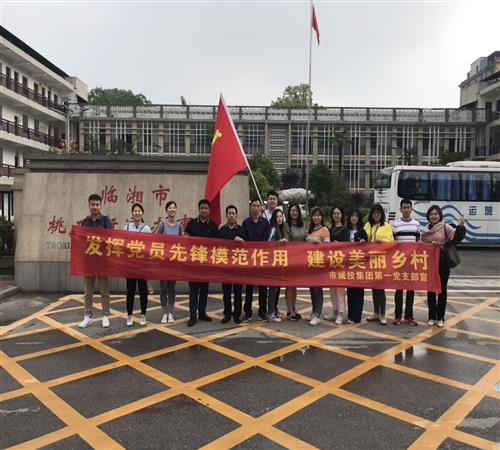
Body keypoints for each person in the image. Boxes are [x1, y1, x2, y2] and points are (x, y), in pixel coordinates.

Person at [421, 205, 465, 327]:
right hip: (430, 263)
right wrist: (430, 245)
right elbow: (421, 246)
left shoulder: (446, 227)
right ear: (428, 216)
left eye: (436, 214)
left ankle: (440, 317)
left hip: (443, 262)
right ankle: (431, 316)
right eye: (431, 214)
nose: (434, 216)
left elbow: (457, 237)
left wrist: (461, 226)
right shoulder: (425, 231)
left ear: (440, 215)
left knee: (442, 289)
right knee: (431, 289)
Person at [78, 194, 113, 329]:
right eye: (92, 204)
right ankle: (88, 316)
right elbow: (81, 241)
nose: (95, 207)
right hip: (89, 262)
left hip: (102, 261)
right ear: (89, 205)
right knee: (88, 292)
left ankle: (105, 315)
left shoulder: (106, 221)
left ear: (100, 206)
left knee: (104, 290)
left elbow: (111, 239)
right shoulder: (85, 222)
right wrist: (74, 235)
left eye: (97, 204)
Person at [184, 199, 218, 327]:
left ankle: (202, 313)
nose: (204, 210)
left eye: (206, 208)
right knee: (194, 291)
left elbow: (217, 244)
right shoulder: (192, 223)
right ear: (199, 209)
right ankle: (192, 315)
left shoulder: (213, 225)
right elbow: (185, 240)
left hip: (206, 265)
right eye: (202, 208)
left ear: (209, 210)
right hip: (193, 264)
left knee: (204, 290)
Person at [362, 204, 394, 325]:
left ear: (381, 214)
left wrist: (382, 242)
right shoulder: (367, 225)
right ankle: (376, 312)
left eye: (378, 213)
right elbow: (363, 237)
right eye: (374, 213)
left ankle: (383, 314)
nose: (376, 215)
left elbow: (391, 242)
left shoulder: (386, 226)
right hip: (370, 260)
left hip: (381, 260)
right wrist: (362, 241)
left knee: (380, 288)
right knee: (374, 287)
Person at [392, 198, 420, 326]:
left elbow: (418, 242)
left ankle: (409, 316)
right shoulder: (395, 225)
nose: (406, 210)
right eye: (404, 207)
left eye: (408, 207)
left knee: (410, 290)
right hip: (399, 262)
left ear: (411, 209)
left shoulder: (416, 224)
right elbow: (392, 242)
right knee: (399, 290)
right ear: (400, 209)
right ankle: (397, 316)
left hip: (412, 262)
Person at [123, 203, 151, 327]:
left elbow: (150, 247)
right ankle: (129, 315)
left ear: (142, 213)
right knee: (130, 291)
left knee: (143, 291)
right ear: (132, 213)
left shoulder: (146, 228)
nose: (137, 213)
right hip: (130, 265)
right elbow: (122, 245)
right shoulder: (126, 227)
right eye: (135, 211)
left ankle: (143, 315)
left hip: (142, 265)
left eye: (139, 211)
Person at [242, 198, 270, 321]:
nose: (256, 208)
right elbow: (244, 239)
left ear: (261, 208)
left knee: (263, 287)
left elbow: (267, 240)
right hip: (249, 259)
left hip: (262, 258)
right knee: (249, 287)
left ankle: (262, 311)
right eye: (254, 205)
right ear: (250, 207)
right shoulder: (245, 223)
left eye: (258, 206)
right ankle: (247, 312)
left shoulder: (265, 223)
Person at [218, 205, 245, 324]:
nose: (231, 215)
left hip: (238, 266)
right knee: (226, 293)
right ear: (226, 215)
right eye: (229, 213)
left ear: (236, 215)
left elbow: (248, 247)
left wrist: (242, 241)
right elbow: (217, 247)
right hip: (225, 267)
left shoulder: (241, 230)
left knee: (238, 293)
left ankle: (237, 314)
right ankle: (227, 314)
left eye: (233, 213)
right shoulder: (222, 230)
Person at [156, 200, 182, 324]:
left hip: (173, 262)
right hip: (163, 262)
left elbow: (181, 243)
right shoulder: (162, 224)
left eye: (174, 207)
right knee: (163, 288)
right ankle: (164, 313)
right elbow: (156, 241)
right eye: (170, 207)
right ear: (167, 210)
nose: (172, 209)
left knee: (171, 288)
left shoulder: (179, 226)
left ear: (176, 210)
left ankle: (170, 312)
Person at [306, 207, 330, 326]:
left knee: (317, 289)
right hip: (310, 263)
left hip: (319, 263)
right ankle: (313, 310)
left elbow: (327, 247)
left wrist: (319, 244)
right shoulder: (309, 229)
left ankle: (317, 314)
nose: (316, 217)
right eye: (314, 215)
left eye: (318, 215)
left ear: (322, 217)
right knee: (312, 289)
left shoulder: (325, 230)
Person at [267, 209, 290, 322]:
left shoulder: (282, 228)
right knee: (273, 288)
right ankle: (271, 312)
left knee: (277, 288)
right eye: (277, 217)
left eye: (281, 216)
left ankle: (274, 309)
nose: (279, 219)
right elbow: (269, 243)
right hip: (274, 262)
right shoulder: (273, 229)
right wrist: (279, 242)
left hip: (280, 261)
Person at [328, 206, 349, 325]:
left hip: (341, 262)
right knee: (332, 288)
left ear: (342, 215)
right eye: (334, 213)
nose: (336, 215)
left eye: (338, 213)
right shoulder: (330, 229)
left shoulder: (345, 229)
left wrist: (339, 244)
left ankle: (341, 313)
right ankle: (334, 310)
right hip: (331, 261)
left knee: (340, 289)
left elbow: (348, 246)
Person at [346, 209, 366, 323]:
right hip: (348, 264)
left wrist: (364, 242)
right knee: (350, 290)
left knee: (359, 290)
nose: (354, 218)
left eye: (356, 216)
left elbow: (368, 247)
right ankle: (350, 314)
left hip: (359, 265)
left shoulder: (362, 231)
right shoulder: (346, 230)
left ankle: (357, 316)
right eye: (352, 216)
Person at [285, 203, 305, 321]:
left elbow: (305, 238)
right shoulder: (286, 225)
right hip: (290, 257)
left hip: (300, 258)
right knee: (289, 285)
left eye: (296, 210)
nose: (294, 213)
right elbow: (286, 240)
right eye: (292, 210)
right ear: (289, 212)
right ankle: (289, 310)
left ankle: (293, 307)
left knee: (295, 285)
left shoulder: (301, 224)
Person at [263, 190, 281, 317]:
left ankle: (274, 306)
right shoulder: (263, 215)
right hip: (265, 255)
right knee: (266, 284)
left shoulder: (281, 215)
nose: (272, 201)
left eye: (274, 198)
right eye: (270, 198)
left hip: (278, 257)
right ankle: (267, 309)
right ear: (267, 200)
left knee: (277, 285)